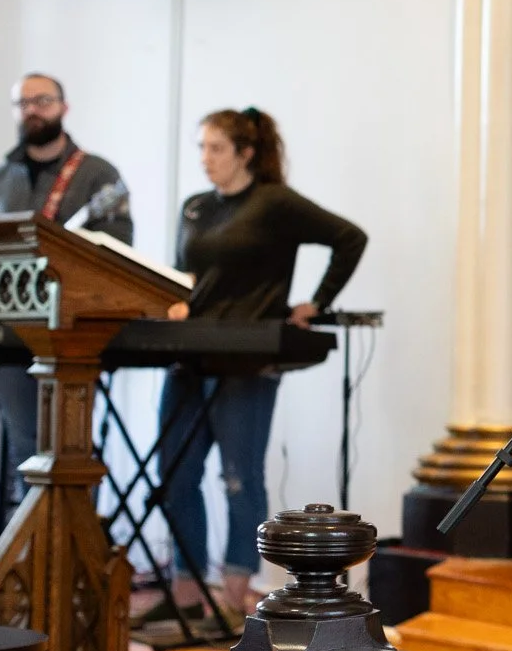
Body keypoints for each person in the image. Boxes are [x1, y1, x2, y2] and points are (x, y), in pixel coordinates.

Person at [157, 107, 366, 619]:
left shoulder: (274, 202)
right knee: (174, 473)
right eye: (201, 148)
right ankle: (186, 593)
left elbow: (349, 237)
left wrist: (317, 302)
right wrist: (175, 301)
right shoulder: (195, 207)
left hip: (249, 359)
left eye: (216, 149)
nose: (205, 159)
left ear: (246, 153)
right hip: (191, 353)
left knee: (238, 477)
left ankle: (234, 592)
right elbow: (184, 274)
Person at [0, 73, 134, 468]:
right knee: (24, 445)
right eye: (23, 103)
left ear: (64, 107)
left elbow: (117, 250)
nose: (33, 110)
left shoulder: (97, 174)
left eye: (42, 101)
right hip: (7, 334)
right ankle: (28, 513)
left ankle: (70, 513)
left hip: (72, 333)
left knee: (68, 447)